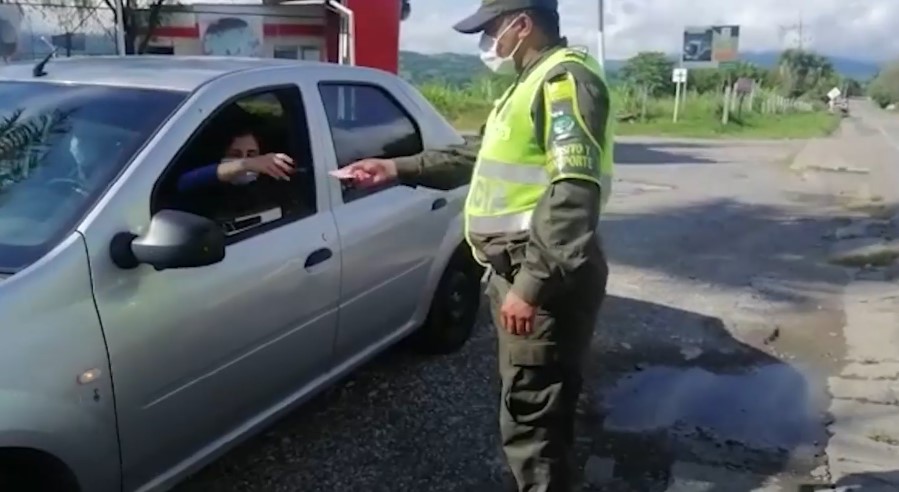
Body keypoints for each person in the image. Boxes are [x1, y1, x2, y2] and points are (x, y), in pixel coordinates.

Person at [337, 0, 614, 490]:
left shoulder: (562, 83)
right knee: (532, 407)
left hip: (540, 277)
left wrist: (530, 287)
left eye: (491, 28)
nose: (488, 41)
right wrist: (394, 168)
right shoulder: (527, 84)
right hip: (517, 270)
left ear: (522, 23)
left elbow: (573, 193)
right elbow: (476, 154)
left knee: (533, 421)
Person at [176, 129, 295, 193]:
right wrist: (244, 165)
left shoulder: (272, 189)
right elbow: (183, 183)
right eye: (235, 154)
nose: (244, 159)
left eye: (252, 154)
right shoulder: (207, 189)